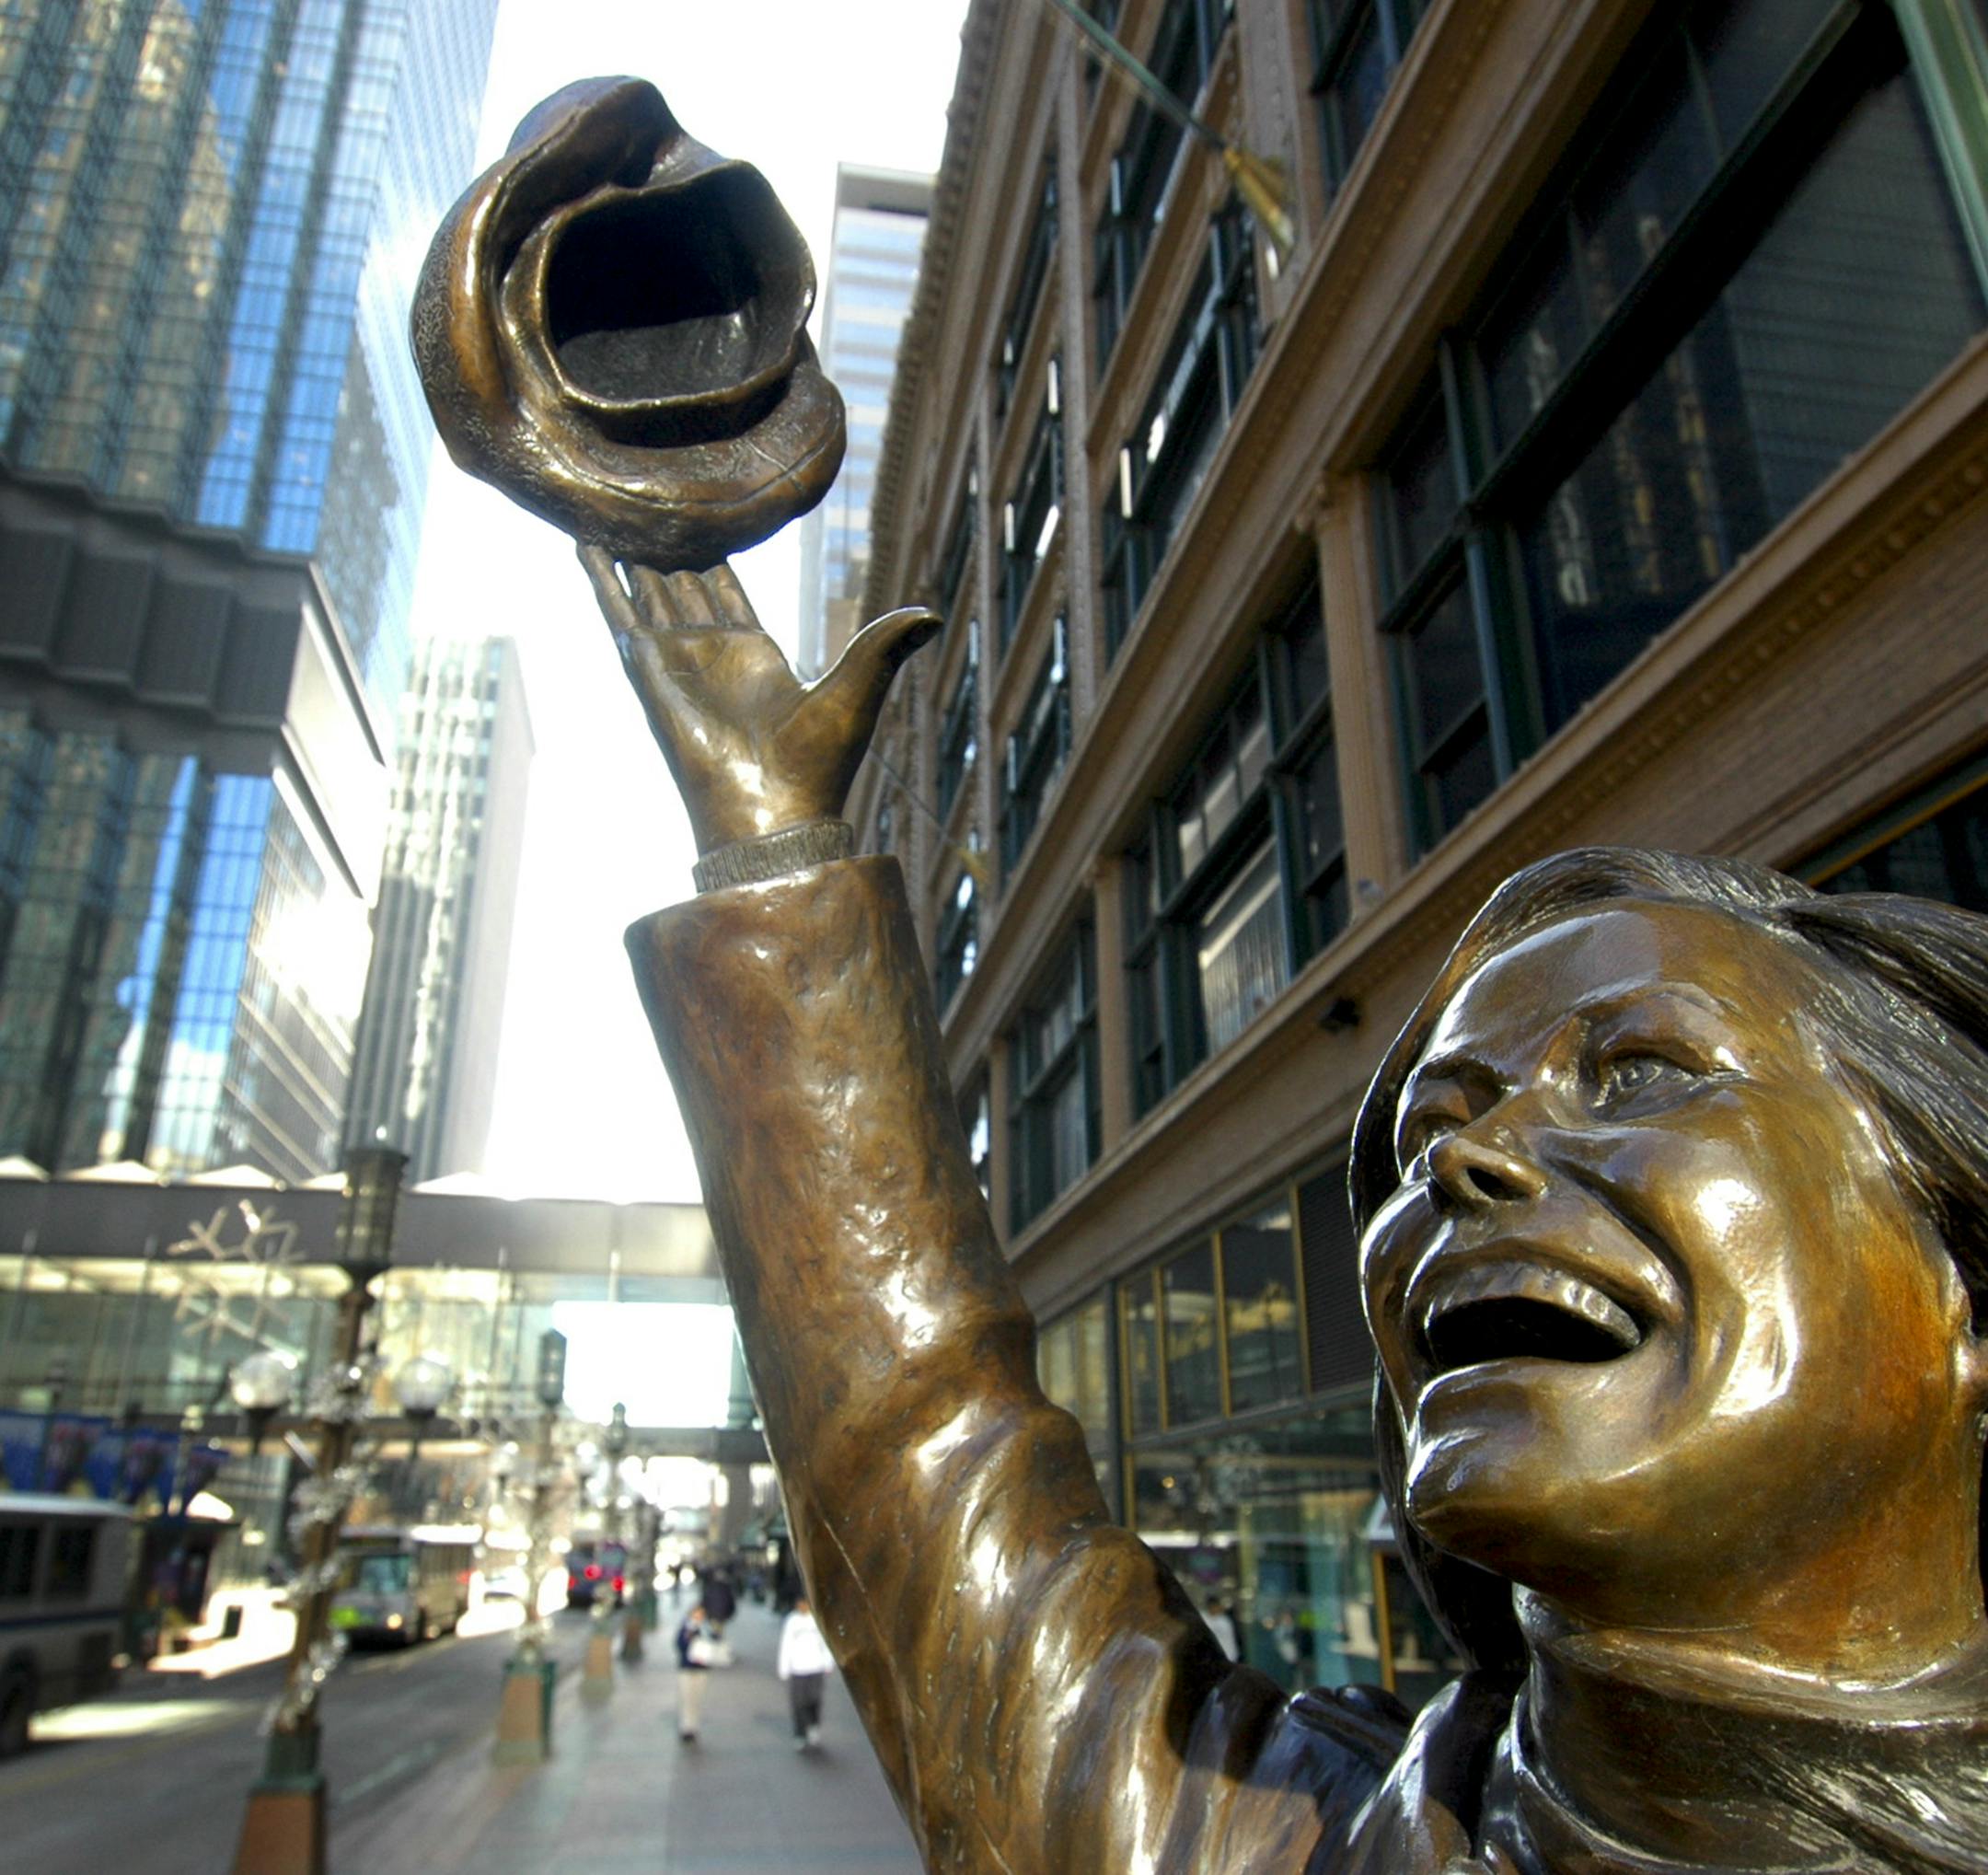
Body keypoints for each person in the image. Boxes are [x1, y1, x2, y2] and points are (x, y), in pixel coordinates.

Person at [590, 557, 1988, 1870]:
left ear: (1960, 1273)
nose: (1468, 1161)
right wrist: (771, 850)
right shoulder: (1285, 1831)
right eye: (1434, 1127)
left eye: (1638, 1073)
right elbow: (921, 1434)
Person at [777, 1592, 833, 1751]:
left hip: (816, 1667)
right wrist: (784, 1667)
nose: (802, 1606)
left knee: (814, 1699)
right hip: (798, 1668)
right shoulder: (792, 1621)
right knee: (798, 1703)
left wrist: (828, 1662)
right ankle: (800, 1733)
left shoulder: (817, 1620)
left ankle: (814, 1726)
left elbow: (825, 1642)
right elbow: (786, 1644)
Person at [673, 1603, 716, 1742]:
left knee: (697, 1699)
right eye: (696, 1614)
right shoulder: (686, 1628)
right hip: (687, 1668)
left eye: (701, 1615)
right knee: (687, 1698)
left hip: (702, 1669)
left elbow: (715, 1642)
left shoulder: (707, 1628)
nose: (698, 1617)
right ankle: (686, 1727)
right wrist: (689, 1637)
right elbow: (679, 1644)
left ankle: (694, 1726)